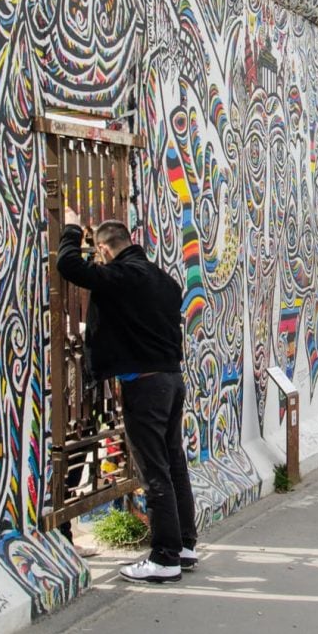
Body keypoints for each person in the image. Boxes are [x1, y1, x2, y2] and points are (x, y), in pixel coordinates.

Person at [57, 208, 198, 584]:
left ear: (104, 249)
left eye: (99, 253)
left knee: (154, 472)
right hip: (171, 380)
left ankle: (165, 557)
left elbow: (68, 266)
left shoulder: (122, 275)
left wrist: (71, 229)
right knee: (173, 464)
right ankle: (184, 545)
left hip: (146, 386)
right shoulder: (164, 280)